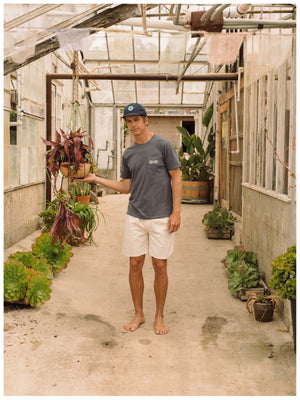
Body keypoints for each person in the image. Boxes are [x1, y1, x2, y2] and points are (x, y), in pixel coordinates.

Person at [78, 103, 182, 335]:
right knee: (135, 264)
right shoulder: (129, 153)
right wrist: (96, 179)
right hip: (135, 216)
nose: (132, 125)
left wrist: (176, 212)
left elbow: (176, 177)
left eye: (136, 120)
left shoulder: (163, 146)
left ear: (146, 120)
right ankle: (139, 314)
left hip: (161, 217)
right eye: (128, 121)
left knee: (160, 265)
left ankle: (159, 315)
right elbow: (126, 187)